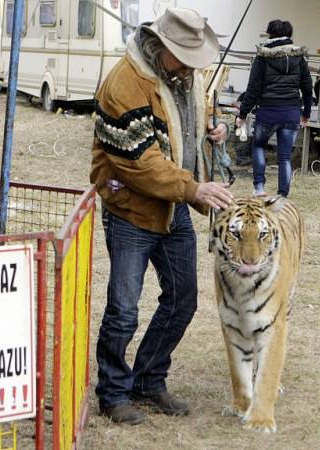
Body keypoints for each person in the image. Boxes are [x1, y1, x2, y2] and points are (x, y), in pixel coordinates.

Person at [89, 7, 233, 426]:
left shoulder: (185, 77)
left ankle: (149, 381)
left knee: (182, 299)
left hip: (173, 207)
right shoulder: (124, 83)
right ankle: (113, 394)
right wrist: (194, 189)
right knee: (123, 309)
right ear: (160, 48)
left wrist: (213, 130)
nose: (192, 67)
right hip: (130, 209)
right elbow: (141, 162)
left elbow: (193, 119)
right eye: (184, 57)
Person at [235, 19, 313, 197]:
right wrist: (306, 113)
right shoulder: (299, 57)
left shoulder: (263, 57)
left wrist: (243, 114)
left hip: (267, 113)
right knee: (284, 157)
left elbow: (253, 88)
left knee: (259, 146)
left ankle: (260, 188)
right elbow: (307, 87)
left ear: (270, 34)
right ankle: (282, 195)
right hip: (291, 112)